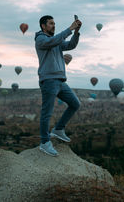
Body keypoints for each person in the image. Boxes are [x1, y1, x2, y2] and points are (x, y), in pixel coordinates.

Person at [35, 15, 82, 156]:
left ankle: (58, 129)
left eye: (54, 23)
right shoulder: (41, 39)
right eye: (51, 23)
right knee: (47, 113)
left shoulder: (55, 41)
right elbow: (55, 40)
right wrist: (69, 28)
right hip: (49, 81)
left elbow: (71, 45)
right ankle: (44, 142)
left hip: (60, 81)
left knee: (75, 104)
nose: (53, 25)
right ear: (43, 26)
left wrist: (76, 32)